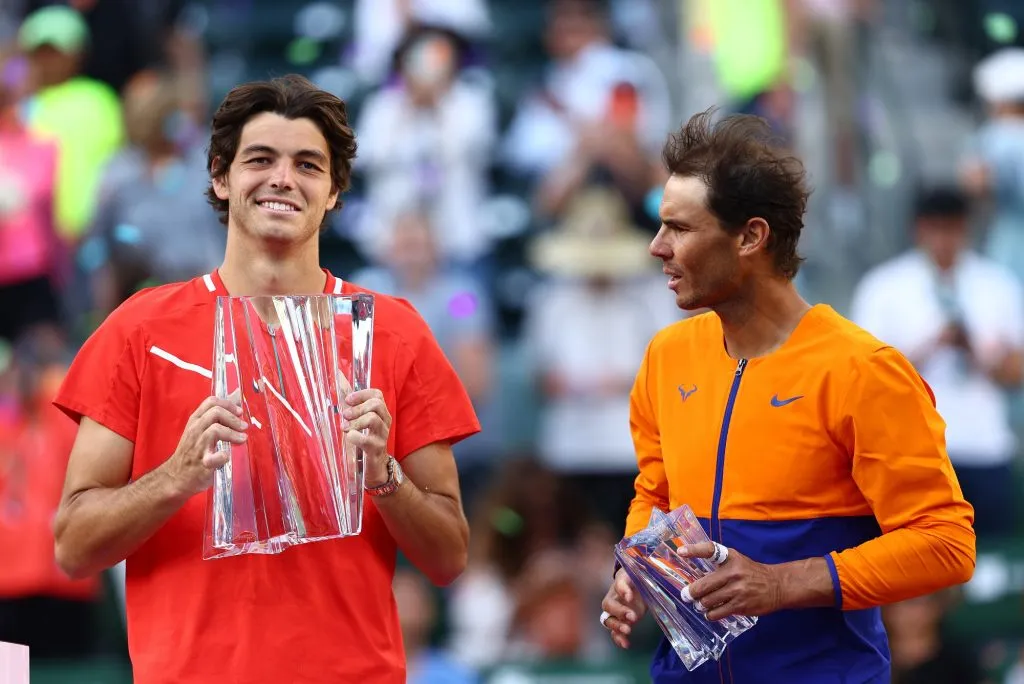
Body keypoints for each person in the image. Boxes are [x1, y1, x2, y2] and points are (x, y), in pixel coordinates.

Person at [51, 74, 480, 684]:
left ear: (334, 192)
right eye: (261, 159)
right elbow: (74, 547)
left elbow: (447, 558)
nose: (283, 178)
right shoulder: (140, 329)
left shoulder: (394, 332)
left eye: (309, 164)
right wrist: (176, 477)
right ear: (222, 177)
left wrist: (384, 475)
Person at [599, 109, 976, 683]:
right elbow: (655, 494)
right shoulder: (665, 356)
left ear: (751, 236)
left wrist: (782, 584)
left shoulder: (863, 369)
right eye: (661, 225)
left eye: (679, 228)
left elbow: (946, 543)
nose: (657, 247)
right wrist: (638, 565)